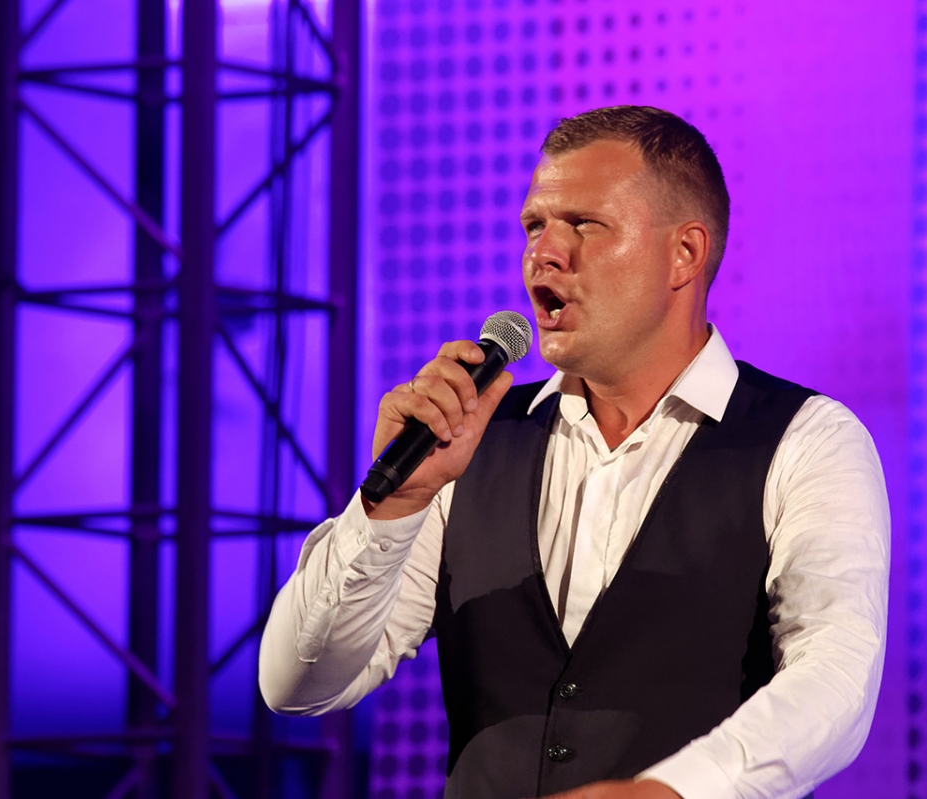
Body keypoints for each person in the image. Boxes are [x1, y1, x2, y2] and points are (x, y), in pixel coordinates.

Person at [259, 105, 890, 799]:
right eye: (535, 225)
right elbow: (296, 684)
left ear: (685, 254)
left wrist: (673, 790)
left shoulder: (805, 440)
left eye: (584, 225)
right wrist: (394, 506)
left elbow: (835, 675)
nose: (545, 253)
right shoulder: (469, 444)